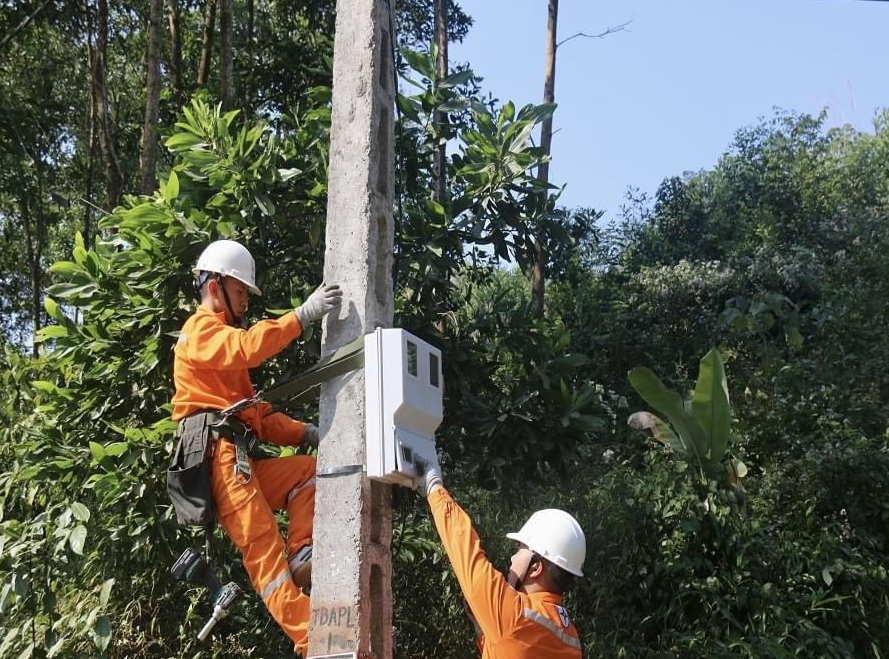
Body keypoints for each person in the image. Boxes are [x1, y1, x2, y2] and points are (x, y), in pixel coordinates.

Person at [171, 239, 342, 656]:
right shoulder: (201, 331)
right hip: (221, 461)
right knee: (265, 553)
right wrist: (301, 317)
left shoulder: (222, 358)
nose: (245, 300)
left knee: (307, 472)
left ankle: (303, 551)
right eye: (242, 291)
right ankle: (312, 640)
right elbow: (247, 348)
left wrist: (306, 433)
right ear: (216, 286)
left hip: (239, 459)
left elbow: (257, 416)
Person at [416, 457, 586, 658]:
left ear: (536, 567)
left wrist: (433, 486)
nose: (513, 559)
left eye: (519, 550)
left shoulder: (515, 615)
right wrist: (482, 629)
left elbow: (464, 549)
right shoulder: (569, 636)